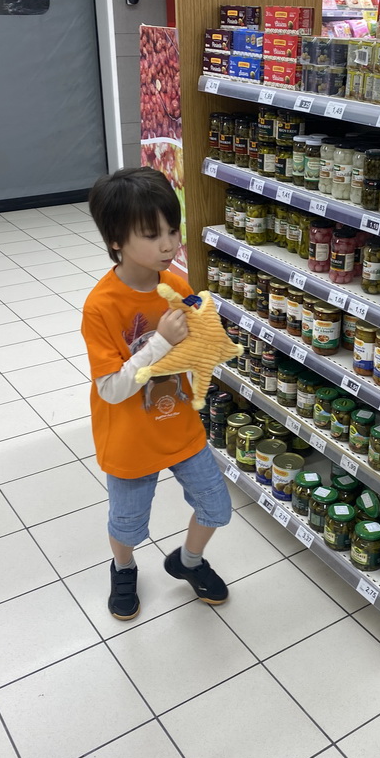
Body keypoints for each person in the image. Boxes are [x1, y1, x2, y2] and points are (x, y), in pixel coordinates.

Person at [82, 166, 231, 620]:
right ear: (116, 241)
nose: (169, 244)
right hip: (129, 436)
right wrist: (162, 341)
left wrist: (207, 339)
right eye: (152, 234)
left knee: (217, 507)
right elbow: (111, 389)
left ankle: (186, 562)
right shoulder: (101, 307)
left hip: (180, 425)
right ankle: (123, 567)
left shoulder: (177, 288)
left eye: (172, 229)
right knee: (128, 525)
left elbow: (195, 355)